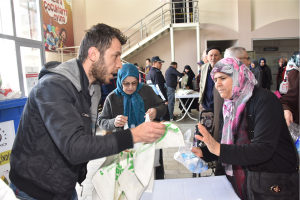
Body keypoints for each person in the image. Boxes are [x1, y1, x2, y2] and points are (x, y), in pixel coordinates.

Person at [9, 23, 166, 200]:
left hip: (63, 187)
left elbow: (84, 139)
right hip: (34, 192)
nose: (119, 65)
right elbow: (75, 147)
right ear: (93, 54)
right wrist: (133, 135)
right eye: (115, 56)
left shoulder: (91, 89)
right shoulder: (53, 87)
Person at [192, 57, 298, 200]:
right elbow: (230, 146)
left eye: (222, 78)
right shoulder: (228, 106)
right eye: (215, 80)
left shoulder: (265, 100)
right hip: (241, 182)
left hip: (270, 186)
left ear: (238, 75)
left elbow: (263, 149)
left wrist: (217, 149)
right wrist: (204, 153)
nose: (217, 84)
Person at [98, 63, 167, 179]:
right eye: (126, 83)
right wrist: (114, 122)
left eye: (134, 83)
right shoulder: (112, 97)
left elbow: (162, 106)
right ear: (120, 81)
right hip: (124, 145)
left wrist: (155, 111)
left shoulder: (146, 91)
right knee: (128, 178)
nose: (130, 87)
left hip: (147, 141)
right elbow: (101, 122)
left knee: (150, 176)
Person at [199, 46, 222, 143]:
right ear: (207, 57)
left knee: (217, 130)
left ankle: (216, 151)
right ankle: (206, 150)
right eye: (211, 55)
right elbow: (201, 84)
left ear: (220, 56)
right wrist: (200, 101)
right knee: (205, 130)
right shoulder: (204, 67)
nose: (213, 58)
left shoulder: (224, 68)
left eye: (216, 55)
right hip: (205, 104)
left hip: (219, 105)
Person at [146, 56, 170, 121]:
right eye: (159, 63)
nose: (161, 64)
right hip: (160, 99)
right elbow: (159, 88)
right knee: (164, 119)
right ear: (154, 63)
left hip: (152, 100)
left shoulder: (149, 73)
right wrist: (165, 99)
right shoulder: (156, 73)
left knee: (156, 119)